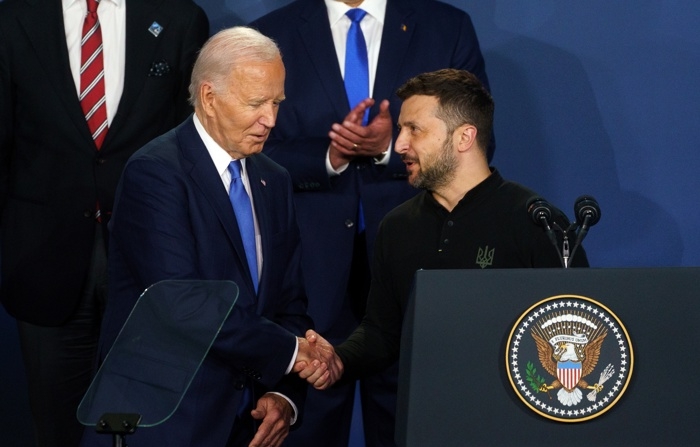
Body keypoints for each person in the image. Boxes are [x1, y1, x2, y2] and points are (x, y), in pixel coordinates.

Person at [77, 26, 342, 447]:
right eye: (256, 103)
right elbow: (182, 303)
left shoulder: (274, 180)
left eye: (276, 103)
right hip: (164, 425)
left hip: (246, 424)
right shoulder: (157, 173)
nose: (270, 119)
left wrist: (282, 393)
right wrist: (294, 353)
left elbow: (289, 302)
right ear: (209, 98)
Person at [299, 68, 589, 443]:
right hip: (424, 424)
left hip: (518, 428)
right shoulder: (397, 226)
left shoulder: (535, 220)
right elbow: (382, 331)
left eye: (414, 129)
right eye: (401, 130)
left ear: (464, 136)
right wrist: (339, 360)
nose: (399, 144)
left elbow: (577, 328)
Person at [249, 1, 492, 445]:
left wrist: (391, 147)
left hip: (417, 260)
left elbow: (475, 144)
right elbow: (249, 148)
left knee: (412, 418)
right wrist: (329, 156)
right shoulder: (270, 33)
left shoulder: (446, 28)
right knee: (312, 409)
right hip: (309, 267)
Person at [0, 1, 208, 445]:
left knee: (144, 427)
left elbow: (192, 145)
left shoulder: (179, 17)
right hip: (44, 263)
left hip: (149, 260)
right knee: (57, 429)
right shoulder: (13, 19)